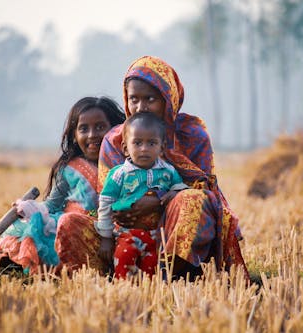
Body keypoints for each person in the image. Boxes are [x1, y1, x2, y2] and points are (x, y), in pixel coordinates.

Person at [56, 55, 249, 282]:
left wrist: (157, 202)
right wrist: (125, 215)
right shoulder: (114, 139)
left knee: (195, 200)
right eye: (133, 99)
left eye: (150, 98)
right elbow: (108, 199)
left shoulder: (193, 135)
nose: (140, 107)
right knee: (69, 223)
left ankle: (171, 274)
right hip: (122, 234)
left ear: (169, 99)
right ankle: (110, 277)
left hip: (170, 231)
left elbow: (205, 190)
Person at [0, 96, 125, 274]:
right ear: (75, 136)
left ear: (114, 130)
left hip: (110, 236)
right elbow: (52, 205)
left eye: (100, 127)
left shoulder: (125, 166)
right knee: (44, 237)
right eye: (84, 129)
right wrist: (29, 208)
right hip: (71, 233)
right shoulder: (69, 169)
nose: (92, 135)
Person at [95, 112, 188, 279]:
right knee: (124, 257)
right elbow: (105, 203)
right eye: (137, 143)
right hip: (126, 233)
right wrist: (106, 238)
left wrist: (174, 193)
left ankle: (150, 297)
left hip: (157, 236)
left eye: (151, 143)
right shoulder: (119, 174)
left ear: (162, 146)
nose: (144, 149)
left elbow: (181, 189)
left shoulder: (168, 171)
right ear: (125, 148)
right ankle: (124, 292)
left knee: (153, 267)